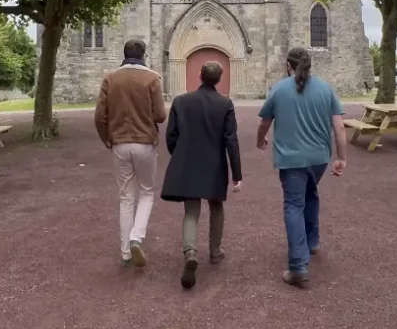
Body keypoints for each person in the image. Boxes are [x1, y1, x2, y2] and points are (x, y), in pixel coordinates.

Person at [256, 47, 348, 288]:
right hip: (319, 159)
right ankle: (311, 240)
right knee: (310, 194)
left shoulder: (278, 89)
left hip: (291, 159)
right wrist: (341, 157)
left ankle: (298, 266)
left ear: (288, 65)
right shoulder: (325, 89)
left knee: (293, 204)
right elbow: (339, 127)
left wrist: (260, 140)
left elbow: (265, 122)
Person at [161, 61, 242, 289]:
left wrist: (179, 155)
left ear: (199, 75)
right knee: (216, 206)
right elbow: (231, 140)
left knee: (191, 210)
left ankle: (190, 251)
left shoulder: (180, 101)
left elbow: (171, 135)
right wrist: (237, 173)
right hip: (214, 162)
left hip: (188, 161)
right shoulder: (225, 104)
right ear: (219, 79)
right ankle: (215, 251)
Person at [94, 39, 167, 267]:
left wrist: (106, 137)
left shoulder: (110, 78)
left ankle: (126, 250)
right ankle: (137, 236)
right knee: (147, 192)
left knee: (126, 196)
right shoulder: (151, 78)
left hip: (119, 143)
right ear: (143, 54)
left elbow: (99, 116)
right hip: (145, 142)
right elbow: (160, 115)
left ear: (124, 54)